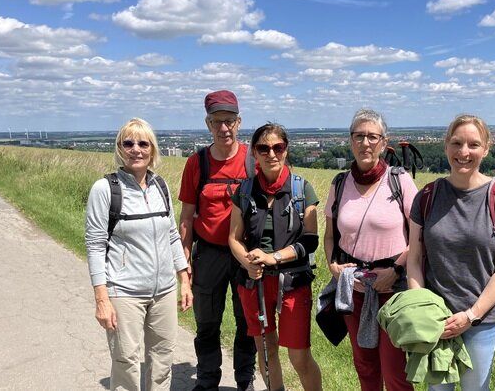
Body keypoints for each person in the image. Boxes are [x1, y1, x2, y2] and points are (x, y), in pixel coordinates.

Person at [406, 114, 495, 391]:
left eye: (473, 144)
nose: (464, 152)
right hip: (437, 320)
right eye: (457, 143)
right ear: (446, 146)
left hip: (481, 321)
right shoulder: (427, 196)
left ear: (486, 148)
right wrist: (423, 308)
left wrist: (471, 315)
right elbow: (414, 259)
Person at [85, 117, 192, 390]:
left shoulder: (161, 186)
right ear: (120, 148)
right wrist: (102, 299)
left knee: (163, 359)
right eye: (128, 143)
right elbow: (96, 245)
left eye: (143, 143)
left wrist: (184, 279)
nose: (136, 149)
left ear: (153, 150)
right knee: (126, 362)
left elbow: (171, 235)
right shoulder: (105, 189)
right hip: (124, 292)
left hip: (164, 291)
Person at [323, 108, 418, 391]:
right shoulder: (339, 184)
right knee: (364, 365)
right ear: (350, 141)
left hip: (394, 290)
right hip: (354, 289)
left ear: (383, 141)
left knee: (395, 372)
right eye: (359, 136)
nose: (365, 143)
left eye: (372, 137)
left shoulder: (399, 181)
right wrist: (332, 266)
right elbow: (330, 237)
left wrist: (396, 269)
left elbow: (419, 238)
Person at [229, 123, 322, 391]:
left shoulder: (301, 190)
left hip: (293, 282)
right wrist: (247, 262)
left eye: (278, 147)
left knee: (299, 356)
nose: (272, 154)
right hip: (254, 282)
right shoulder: (245, 192)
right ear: (254, 154)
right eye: (263, 148)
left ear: (286, 150)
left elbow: (310, 240)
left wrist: (274, 258)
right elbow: (233, 238)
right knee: (266, 352)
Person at [178, 90, 257, 391]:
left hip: (245, 255)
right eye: (217, 122)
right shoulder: (197, 163)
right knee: (207, 323)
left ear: (239, 122)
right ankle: (208, 380)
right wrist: (184, 261)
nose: (224, 128)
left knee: (247, 322)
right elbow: (186, 217)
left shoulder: (253, 161)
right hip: (208, 254)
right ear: (208, 123)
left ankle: (244, 380)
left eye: (229, 121)